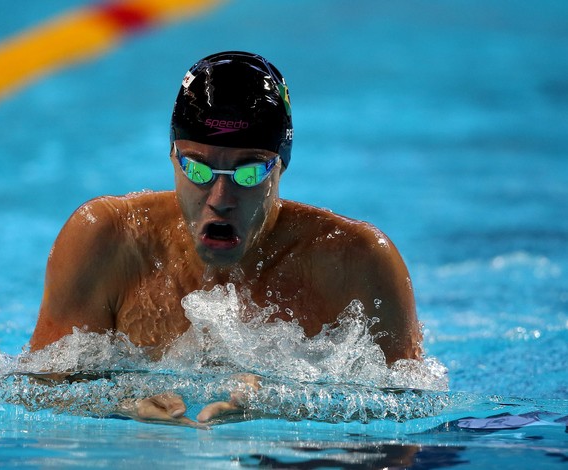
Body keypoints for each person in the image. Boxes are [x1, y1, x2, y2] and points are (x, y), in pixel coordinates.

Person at [29, 51, 422, 426]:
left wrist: (281, 408)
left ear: (280, 166)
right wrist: (122, 405)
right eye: (198, 170)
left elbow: (411, 414)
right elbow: (34, 392)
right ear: (172, 156)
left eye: (248, 173)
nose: (219, 200)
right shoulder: (108, 241)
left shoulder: (358, 263)